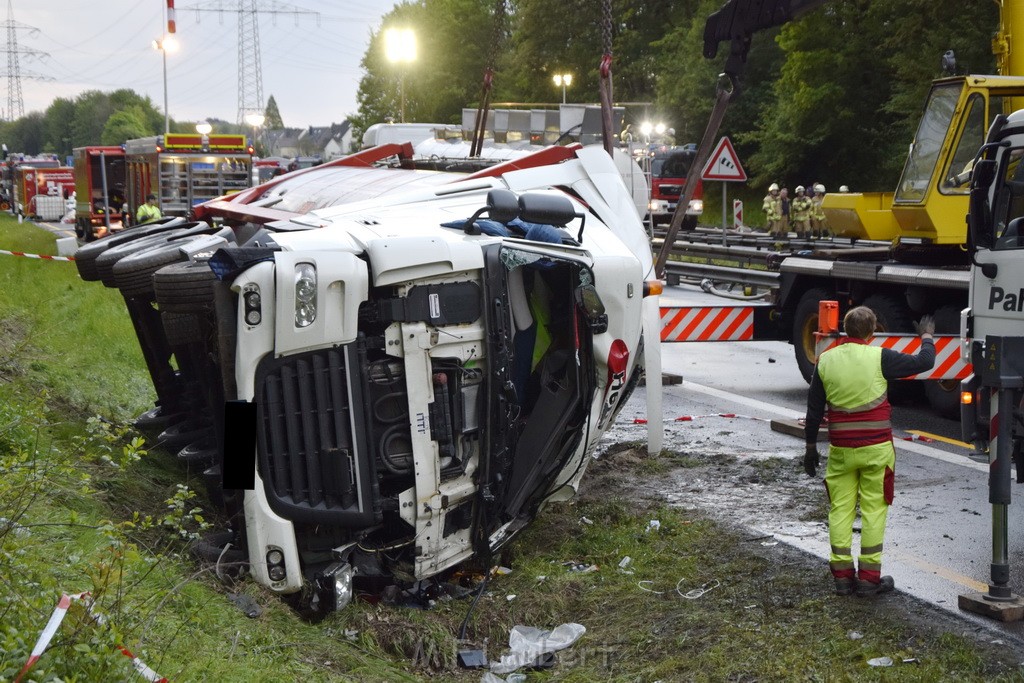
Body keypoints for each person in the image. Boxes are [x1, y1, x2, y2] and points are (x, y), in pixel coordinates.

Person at [804, 306, 935, 597]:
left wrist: (810, 447)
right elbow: (924, 362)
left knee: (840, 510)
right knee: (874, 510)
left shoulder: (825, 361)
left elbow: (813, 411)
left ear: (845, 330)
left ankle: (841, 577)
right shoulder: (880, 357)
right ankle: (868, 579)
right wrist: (926, 335)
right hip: (876, 450)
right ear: (872, 332)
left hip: (841, 450)